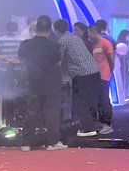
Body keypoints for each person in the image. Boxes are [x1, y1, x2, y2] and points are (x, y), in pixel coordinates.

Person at [17, 15, 68, 151]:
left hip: (33, 80)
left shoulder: (25, 44)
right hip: (51, 82)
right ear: (50, 29)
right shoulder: (54, 45)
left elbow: (21, 59)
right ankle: (52, 142)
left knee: (31, 111)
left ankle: (26, 143)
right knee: (52, 112)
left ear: (36, 28)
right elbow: (58, 62)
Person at [53, 19, 105, 137]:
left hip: (82, 74)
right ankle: (94, 124)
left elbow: (58, 61)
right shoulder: (74, 37)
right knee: (90, 100)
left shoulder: (62, 41)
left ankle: (88, 128)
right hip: (94, 71)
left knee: (78, 102)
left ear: (56, 30)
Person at [88, 24, 115, 133]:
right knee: (99, 100)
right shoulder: (95, 45)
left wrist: (110, 71)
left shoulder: (106, 43)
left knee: (104, 100)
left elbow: (111, 59)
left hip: (104, 75)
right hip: (96, 76)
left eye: (89, 32)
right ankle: (101, 123)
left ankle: (107, 124)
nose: (88, 35)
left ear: (94, 32)